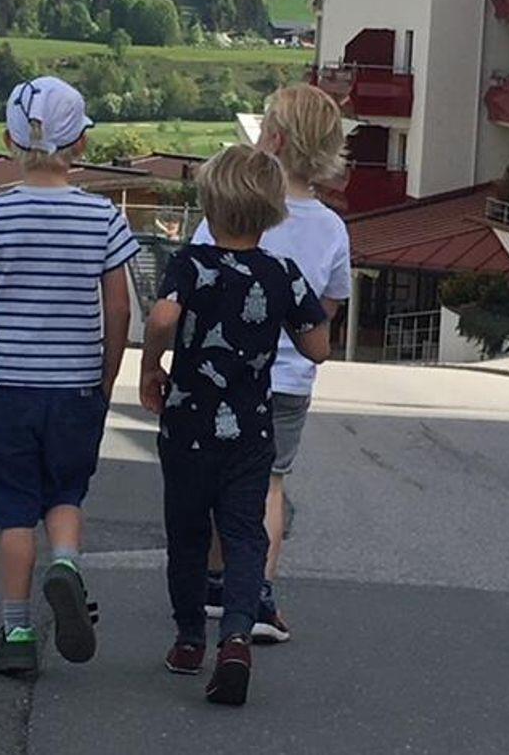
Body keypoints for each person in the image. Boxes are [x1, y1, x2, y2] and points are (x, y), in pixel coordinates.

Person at [0, 75, 136, 677]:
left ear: (10, 140)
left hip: (8, 386)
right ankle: (66, 563)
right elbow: (119, 308)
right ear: (80, 143)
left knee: (12, 510)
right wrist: (105, 377)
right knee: (65, 492)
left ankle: (17, 632)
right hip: (76, 385)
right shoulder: (103, 217)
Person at [141, 145, 329, 707]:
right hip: (251, 432)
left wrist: (152, 364)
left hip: (187, 429)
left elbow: (163, 316)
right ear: (272, 213)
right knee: (245, 535)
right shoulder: (281, 273)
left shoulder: (190, 263)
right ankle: (238, 639)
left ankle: (188, 640)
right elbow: (317, 346)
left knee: (188, 534)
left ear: (208, 204)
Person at [192, 83, 352, 642]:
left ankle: (216, 582)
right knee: (269, 484)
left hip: (223, 373)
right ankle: (257, 592)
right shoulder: (331, 228)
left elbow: (198, 281)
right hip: (288, 379)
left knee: (219, 479)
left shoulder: (233, 210)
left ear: (275, 140)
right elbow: (327, 307)